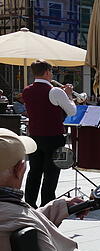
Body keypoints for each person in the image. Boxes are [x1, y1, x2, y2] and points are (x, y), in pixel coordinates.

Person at [21, 60, 76, 208]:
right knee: (51, 173)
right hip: (54, 136)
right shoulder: (55, 91)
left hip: (34, 136)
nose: (52, 74)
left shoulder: (27, 90)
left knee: (34, 172)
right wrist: (69, 95)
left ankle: (30, 203)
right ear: (46, 72)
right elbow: (72, 111)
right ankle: (47, 204)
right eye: (51, 71)